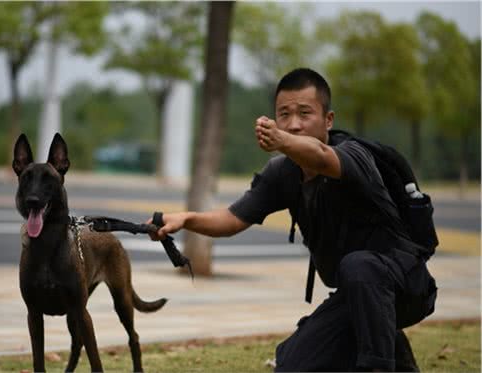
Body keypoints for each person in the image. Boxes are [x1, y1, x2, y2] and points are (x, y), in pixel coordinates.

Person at [148, 68, 437, 371]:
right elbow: (232, 219)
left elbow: (321, 156)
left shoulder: (354, 156)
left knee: (359, 266)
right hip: (357, 297)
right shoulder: (283, 173)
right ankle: (397, 355)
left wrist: (282, 140)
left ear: (329, 120)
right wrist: (186, 218)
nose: (293, 124)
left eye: (304, 113)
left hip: (406, 289)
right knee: (291, 364)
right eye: (283, 114)